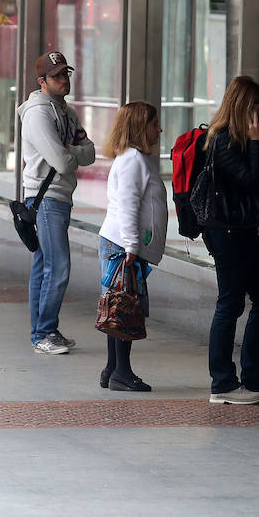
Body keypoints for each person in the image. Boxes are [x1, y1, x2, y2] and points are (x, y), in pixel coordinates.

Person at [200, 76, 259, 405]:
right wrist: (258, 141)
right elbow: (250, 181)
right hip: (225, 232)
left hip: (242, 230)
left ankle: (254, 377)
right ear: (243, 108)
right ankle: (222, 383)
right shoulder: (222, 140)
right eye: (257, 108)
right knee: (230, 303)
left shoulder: (236, 139)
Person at [18, 50, 96, 355]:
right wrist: (71, 151)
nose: (64, 80)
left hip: (60, 197)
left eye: (66, 74)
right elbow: (63, 162)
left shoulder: (66, 112)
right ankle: (44, 332)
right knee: (58, 266)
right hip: (45, 197)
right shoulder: (38, 113)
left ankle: (43, 330)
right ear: (42, 81)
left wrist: (71, 150)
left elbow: (89, 152)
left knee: (44, 265)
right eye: (57, 76)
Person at [97, 101, 167, 392]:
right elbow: (127, 206)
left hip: (121, 243)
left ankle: (113, 368)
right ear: (140, 126)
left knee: (117, 306)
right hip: (121, 245)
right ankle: (121, 373)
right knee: (124, 307)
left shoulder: (132, 158)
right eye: (153, 123)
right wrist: (131, 246)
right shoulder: (132, 160)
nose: (159, 129)